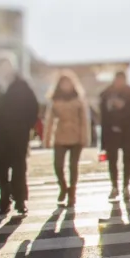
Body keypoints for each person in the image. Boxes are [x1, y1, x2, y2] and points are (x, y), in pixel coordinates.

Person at [0, 53, 39, 217]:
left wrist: (27, 125)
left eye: (7, 66)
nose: (4, 69)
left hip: (18, 134)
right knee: (1, 169)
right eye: (1, 66)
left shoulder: (21, 84)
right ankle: (4, 198)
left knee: (19, 167)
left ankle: (20, 200)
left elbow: (33, 107)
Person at [44, 69, 91, 208]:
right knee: (58, 165)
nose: (66, 86)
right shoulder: (54, 100)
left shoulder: (79, 100)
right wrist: (46, 139)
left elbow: (84, 120)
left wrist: (85, 138)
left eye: (68, 83)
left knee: (73, 166)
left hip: (76, 137)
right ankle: (63, 187)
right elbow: (49, 121)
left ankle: (72, 193)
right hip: (60, 135)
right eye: (64, 83)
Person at [98, 70, 130, 202]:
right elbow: (103, 114)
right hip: (111, 132)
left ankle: (126, 187)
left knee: (127, 160)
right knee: (112, 160)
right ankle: (114, 186)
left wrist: (123, 106)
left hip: (128, 132)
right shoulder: (106, 93)